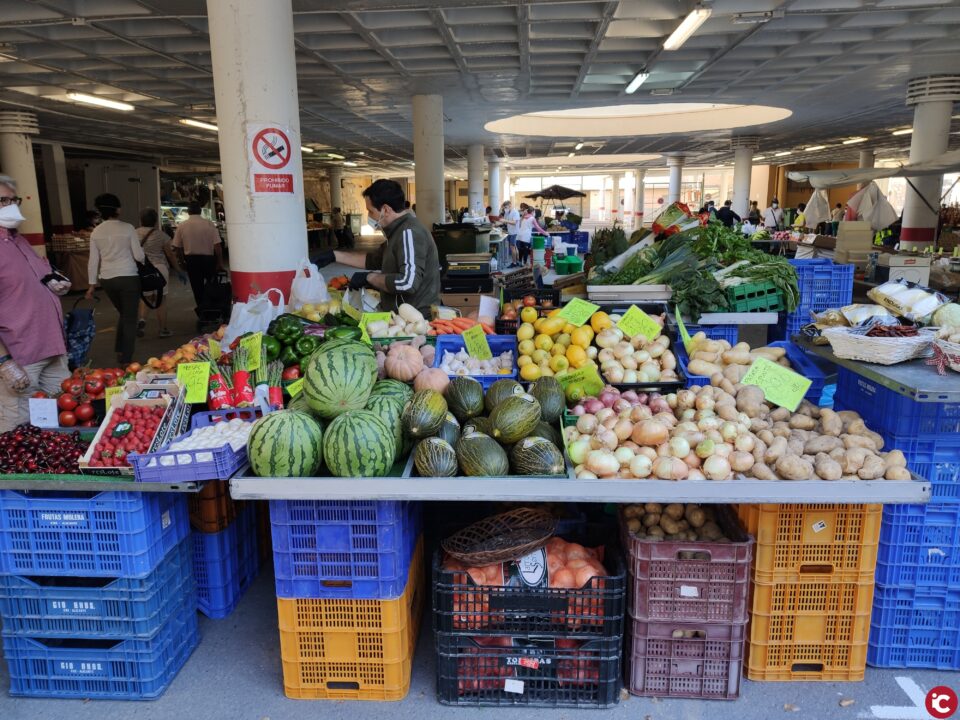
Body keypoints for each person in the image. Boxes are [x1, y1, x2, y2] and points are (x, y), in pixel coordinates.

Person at [0, 174, 72, 432]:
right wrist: (3, 362)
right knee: (19, 429)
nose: (11, 206)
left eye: (13, 200)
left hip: (52, 345)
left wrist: (52, 282)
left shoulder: (19, 241)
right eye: (3, 200)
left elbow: (37, 276)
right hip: (20, 355)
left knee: (62, 419)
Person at [315, 179, 440, 317]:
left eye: (370, 211)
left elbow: (407, 282)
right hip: (400, 316)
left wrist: (371, 278)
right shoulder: (396, 232)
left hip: (416, 320)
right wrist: (334, 256)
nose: (369, 216)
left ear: (385, 209)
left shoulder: (409, 233)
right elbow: (374, 260)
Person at [86, 193, 143, 364]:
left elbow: (93, 260)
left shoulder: (96, 231)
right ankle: (126, 358)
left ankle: (120, 348)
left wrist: (91, 284)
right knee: (130, 318)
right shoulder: (128, 228)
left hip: (108, 279)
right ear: (118, 209)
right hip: (128, 277)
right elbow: (139, 255)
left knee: (124, 314)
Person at [136, 208, 182, 339]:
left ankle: (142, 320)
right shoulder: (162, 235)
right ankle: (163, 329)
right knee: (161, 299)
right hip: (159, 269)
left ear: (141, 220)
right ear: (156, 221)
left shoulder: (133, 234)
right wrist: (178, 270)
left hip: (143, 269)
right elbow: (170, 255)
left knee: (145, 297)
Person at [172, 201, 223, 315]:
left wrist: (181, 261)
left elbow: (177, 247)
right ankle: (213, 308)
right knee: (211, 284)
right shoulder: (209, 224)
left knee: (197, 287)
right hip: (209, 260)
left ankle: (202, 310)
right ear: (200, 211)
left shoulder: (182, 225)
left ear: (188, 212)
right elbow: (217, 246)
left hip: (192, 260)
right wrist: (219, 262)